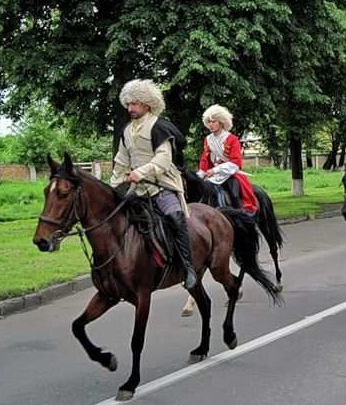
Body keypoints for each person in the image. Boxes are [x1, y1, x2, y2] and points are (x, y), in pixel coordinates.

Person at [110, 79, 196, 289]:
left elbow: (163, 159)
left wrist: (140, 172)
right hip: (137, 190)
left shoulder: (158, 127)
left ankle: (188, 268)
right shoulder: (126, 131)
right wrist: (112, 185)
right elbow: (121, 161)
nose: (130, 108)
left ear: (147, 104)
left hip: (162, 186)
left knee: (175, 218)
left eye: (135, 104)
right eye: (128, 104)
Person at [197, 104, 259, 215]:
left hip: (230, 172)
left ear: (221, 123)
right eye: (209, 122)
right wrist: (202, 173)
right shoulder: (208, 139)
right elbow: (205, 159)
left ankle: (242, 215)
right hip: (213, 174)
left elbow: (236, 163)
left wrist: (215, 170)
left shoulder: (232, 139)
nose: (211, 125)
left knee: (234, 194)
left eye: (214, 121)